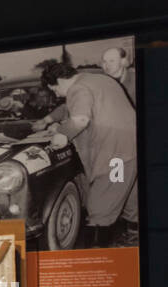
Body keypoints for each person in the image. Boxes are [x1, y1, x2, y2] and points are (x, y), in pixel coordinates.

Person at [33, 63, 138, 247]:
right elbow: (70, 108)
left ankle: (98, 252)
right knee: (129, 198)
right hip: (129, 149)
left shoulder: (78, 88)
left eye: (53, 88)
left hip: (116, 158)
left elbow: (80, 119)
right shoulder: (97, 80)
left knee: (100, 205)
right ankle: (133, 237)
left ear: (59, 81)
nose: (55, 94)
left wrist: (62, 134)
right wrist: (48, 119)